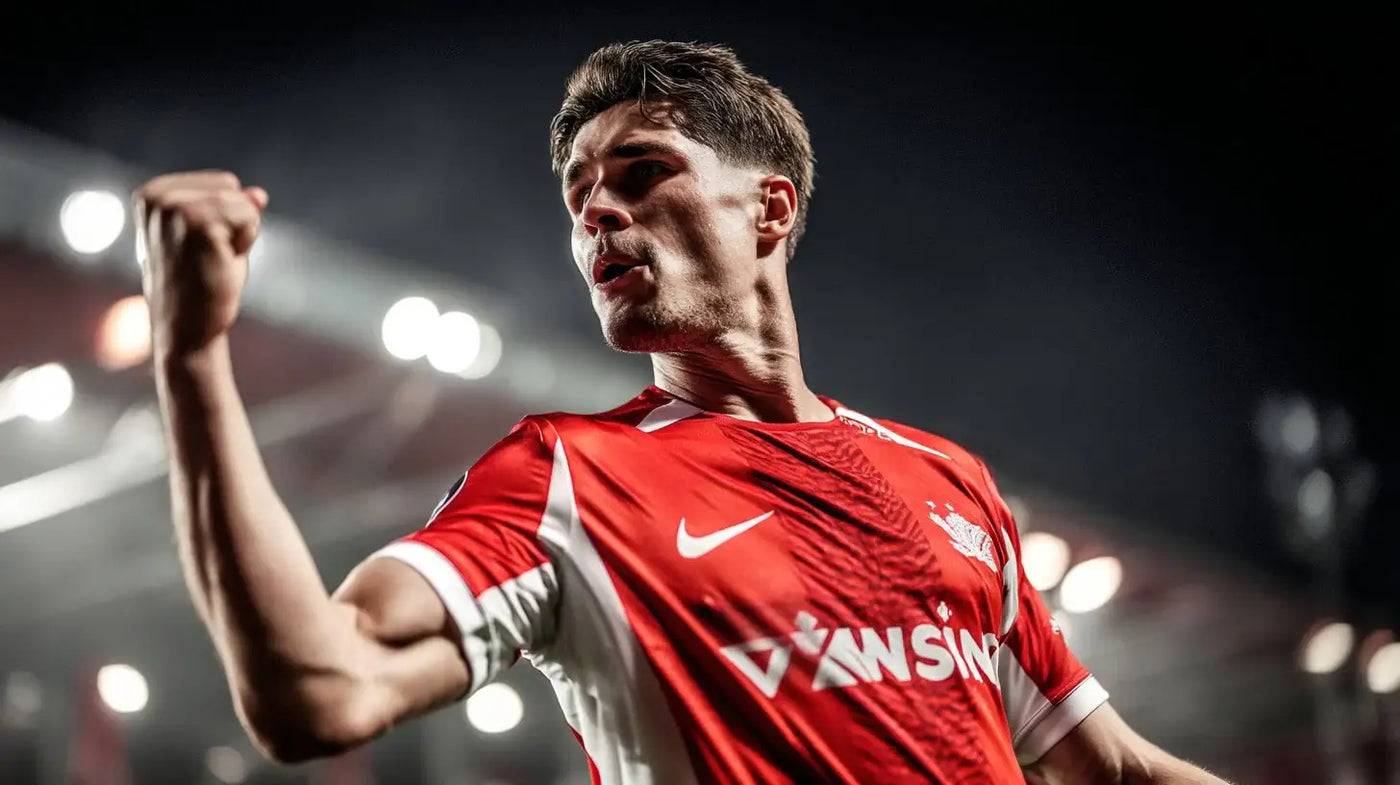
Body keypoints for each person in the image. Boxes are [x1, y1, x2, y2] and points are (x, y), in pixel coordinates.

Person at [135, 40, 1231, 785]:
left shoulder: (945, 479)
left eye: (641, 171)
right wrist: (190, 355)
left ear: (769, 207)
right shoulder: (566, 476)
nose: (596, 213)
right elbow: (320, 689)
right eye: (579, 195)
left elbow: (1111, 768)